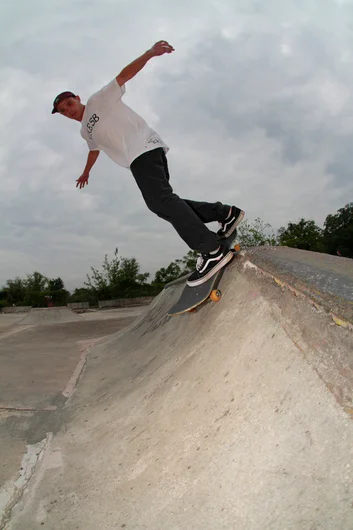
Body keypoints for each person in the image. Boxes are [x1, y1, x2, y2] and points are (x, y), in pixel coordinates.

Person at [51, 40, 244, 286]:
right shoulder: (84, 133)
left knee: (161, 201)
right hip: (138, 159)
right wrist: (85, 172)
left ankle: (211, 250)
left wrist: (150, 53)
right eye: (63, 111)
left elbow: (123, 76)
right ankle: (225, 213)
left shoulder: (98, 100)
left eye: (69, 104)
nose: (68, 111)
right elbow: (94, 149)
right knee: (163, 204)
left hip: (144, 148)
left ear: (77, 99)